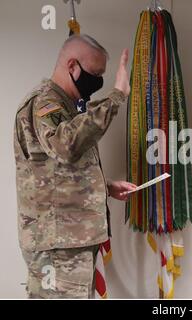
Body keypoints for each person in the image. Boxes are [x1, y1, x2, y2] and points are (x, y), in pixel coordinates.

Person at [14, 34, 136, 298]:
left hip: (67, 240)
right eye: (95, 73)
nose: (99, 82)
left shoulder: (66, 106)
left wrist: (104, 188)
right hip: (58, 246)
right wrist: (115, 98)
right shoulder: (45, 104)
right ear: (72, 66)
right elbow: (65, 146)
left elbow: (52, 173)